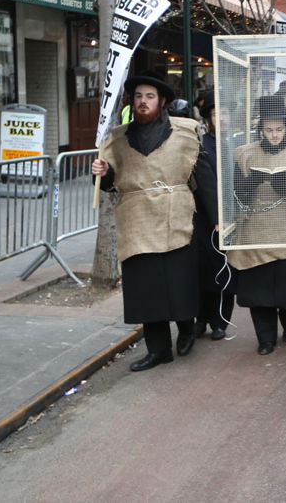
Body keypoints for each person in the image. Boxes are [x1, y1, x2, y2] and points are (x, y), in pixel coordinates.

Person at [91, 71, 217, 371]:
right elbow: (109, 183)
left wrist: (216, 218)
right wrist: (102, 171)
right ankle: (158, 349)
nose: (142, 102)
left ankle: (186, 330)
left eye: (149, 96)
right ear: (131, 102)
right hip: (137, 221)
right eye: (138, 96)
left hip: (176, 217)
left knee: (179, 283)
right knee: (146, 288)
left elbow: (204, 177)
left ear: (161, 102)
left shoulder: (185, 132)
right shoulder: (117, 139)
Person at [229, 95, 286, 355]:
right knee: (258, 288)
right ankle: (265, 338)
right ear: (260, 129)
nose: (274, 135)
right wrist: (251, 182)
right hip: (254, 228)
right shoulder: (243, 154)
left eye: (279, 129)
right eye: (268, 130)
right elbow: (233, 195)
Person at [193, 92, 235, 341]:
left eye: (226, 113)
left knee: (226, 271)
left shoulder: (234, 144)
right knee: (203, 270)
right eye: (217, 113)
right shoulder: (202, 145)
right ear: (208, 118)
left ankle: (221, 321)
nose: (223, 118)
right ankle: (202, 318)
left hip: (230, 217)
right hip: (206, 219)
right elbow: (205, 186)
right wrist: (215, 216)